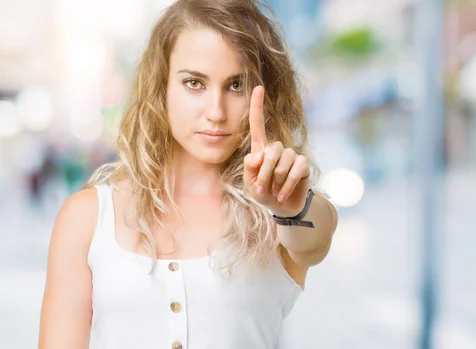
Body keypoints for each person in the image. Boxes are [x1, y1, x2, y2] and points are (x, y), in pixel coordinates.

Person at [38, 1, 338, 348]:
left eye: (236, 86)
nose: (215, 112)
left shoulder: (280, 215)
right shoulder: (87, 217)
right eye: (194, 83)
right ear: (161, 87)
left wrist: (288, 207)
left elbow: (315, 239)